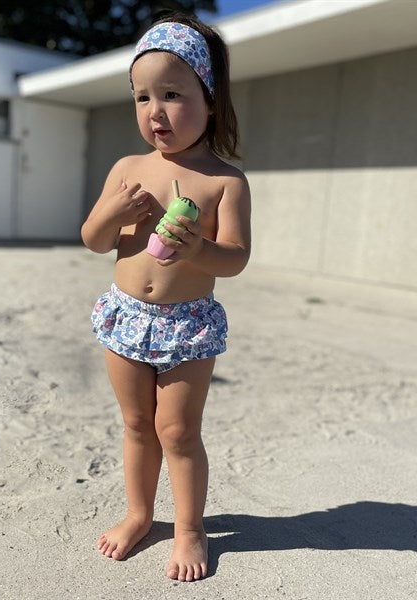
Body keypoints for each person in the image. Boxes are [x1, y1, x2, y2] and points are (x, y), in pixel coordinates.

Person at [80, 13, 251, 582]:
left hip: (188, 325)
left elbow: (235, 259)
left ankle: (189, 527)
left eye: (172, 95)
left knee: (177, 431)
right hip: (127, 317)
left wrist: (198, 246)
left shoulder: (224, 182)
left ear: (210, 101)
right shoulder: (128, 169)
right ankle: (138, 514)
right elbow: (94, 240)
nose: (155, 111)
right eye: (142, 96)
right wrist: (112, 212)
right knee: (136, 423)